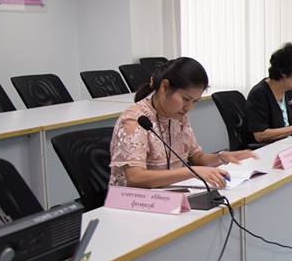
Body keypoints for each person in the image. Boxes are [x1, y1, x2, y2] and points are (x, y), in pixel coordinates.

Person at [109, 58, 256, 189]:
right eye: (186, 99)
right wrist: (191, 172)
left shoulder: (178, 117)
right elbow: (135, 178)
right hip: (133, 202)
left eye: (195, 101)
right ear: (165, 87)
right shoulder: (135, 120)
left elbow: (197, 158)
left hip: (168, 196)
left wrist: (221, 157)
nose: (189, 108)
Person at [247, 43, 292, 143]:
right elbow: (260, 135)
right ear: (284, 72)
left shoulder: (287, 90)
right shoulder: (259, 94)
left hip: (289, 144)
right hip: (270, 148)